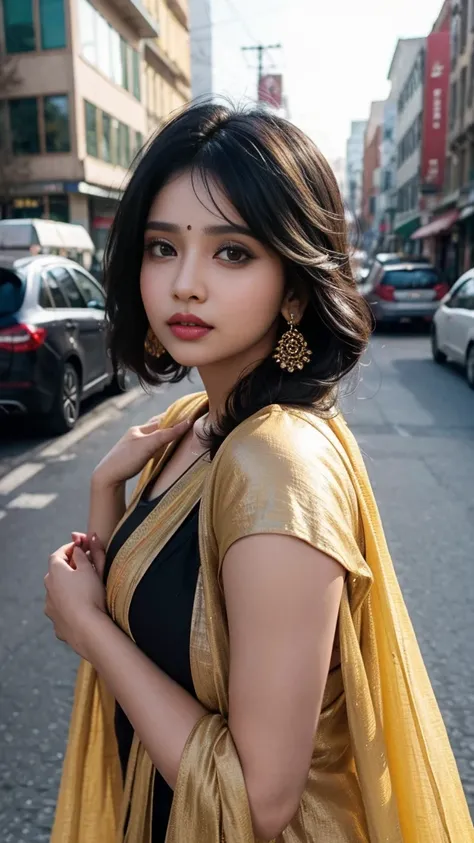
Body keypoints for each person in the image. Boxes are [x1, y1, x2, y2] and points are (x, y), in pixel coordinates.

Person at [44, 102, 473, 843]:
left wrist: (85, 626)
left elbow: (258, 801)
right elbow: (159, 633)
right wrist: (104, 496)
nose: (185, 283)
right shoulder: (195, 425)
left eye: (232, 252)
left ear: (297, 286)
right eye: (161, 247)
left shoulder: (273, 461)